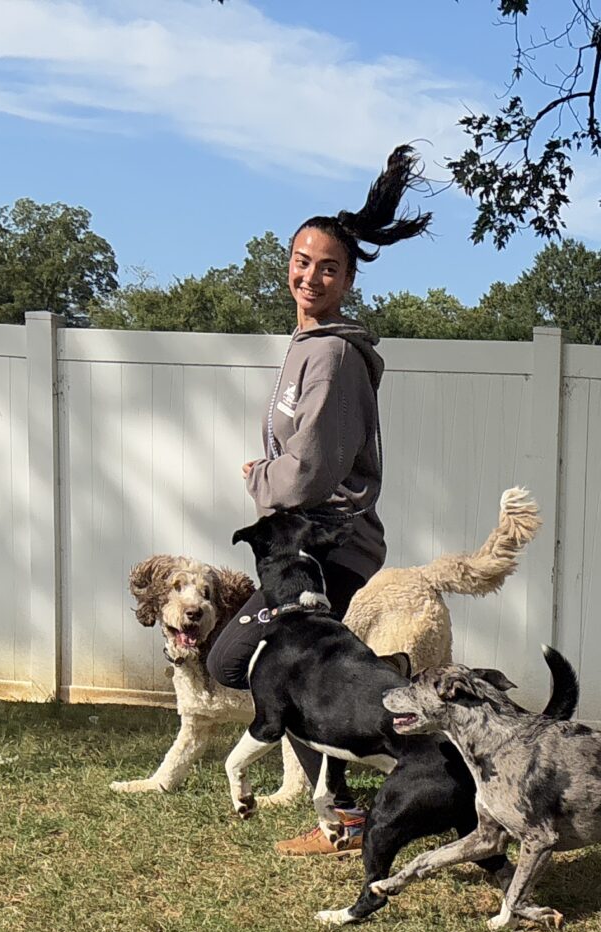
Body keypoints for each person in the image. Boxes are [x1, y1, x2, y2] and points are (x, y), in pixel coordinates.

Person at [208, 146, 429, 853]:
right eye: (301, 261)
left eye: (327, 267)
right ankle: (345, 810)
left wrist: (258, 479)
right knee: (300, 672)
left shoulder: (332, 355)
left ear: (349, 278)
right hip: (308, 543)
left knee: (238, 658)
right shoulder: (309, 343)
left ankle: (367, 800)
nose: (311, 275)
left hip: (329, 545)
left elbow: (309, 470)